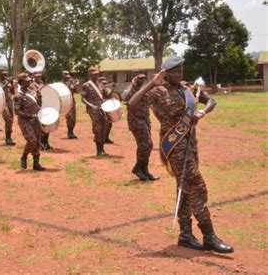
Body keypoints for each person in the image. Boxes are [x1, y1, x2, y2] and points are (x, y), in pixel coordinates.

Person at [128, 56, 233, 253]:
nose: (178, 75)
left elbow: (211, 100)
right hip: (174, 145)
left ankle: (185, 234)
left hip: (191, 145)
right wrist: (151, 83)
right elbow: (132, 104)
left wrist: (202, 113)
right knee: (197, 185)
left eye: (180, 71)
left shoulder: (188, 88)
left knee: (184, 187)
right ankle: (209, 236)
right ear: (165, 73)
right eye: (174, 72)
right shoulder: (157, 92)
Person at [122, 74, 159, 181]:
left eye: (144, 78)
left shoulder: (142, 89)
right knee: (146, 144)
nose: (142, 80)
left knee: (146, 146)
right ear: (135, 79)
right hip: (136, 121)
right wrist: (131, 85)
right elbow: (125, 99)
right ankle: (138, 168)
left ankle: (144, 169)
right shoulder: (131, 89)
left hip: (145, 120)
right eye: (140, 78)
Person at [13, 73, 45, 170]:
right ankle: (24, 156)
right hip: (25, 121)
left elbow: (38, 105)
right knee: (32, 140)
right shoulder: (18, 96)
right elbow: (17, 111)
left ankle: (36, 164)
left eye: (29, 80)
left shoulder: (31, 92)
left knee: (38, 141)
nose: (29, 81)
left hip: (35, 120)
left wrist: (39, 97)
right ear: (21, 82)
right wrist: (30, 115)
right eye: (27, 81)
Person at [81, 68, 107, 156]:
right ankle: (99, 150)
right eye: (94, 74)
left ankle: (102, 149)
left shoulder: (100, 84)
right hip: (93, 109)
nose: (96, 75)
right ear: (90, 75)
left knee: (104, 127)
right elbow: (83, 99)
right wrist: (92, 106)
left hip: (102, 108)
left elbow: (106, 95)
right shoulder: (86, 85)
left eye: (97, 74)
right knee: (97, 128)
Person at [31, 71, 52, 150]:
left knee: (47, 125)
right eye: (37, 76)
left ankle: (46, 143)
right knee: (40, 127)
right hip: (38, 107)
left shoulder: (42, 83)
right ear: (34, 76)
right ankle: (40, 144)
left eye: (40, 76)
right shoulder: (32, 85)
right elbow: (33, 95)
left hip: (45, 106)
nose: (39, 77)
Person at [0, 68, 16, 146]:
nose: (5, 75)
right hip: (2, 103)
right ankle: (8, 138)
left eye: (5, 73)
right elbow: (0, 89)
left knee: (11, 120)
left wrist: (11, 83)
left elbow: (13, 92)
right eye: (3, 73)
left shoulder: (7, 81)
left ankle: (9, 137)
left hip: (9, 102)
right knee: (8, 119)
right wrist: (7, 82)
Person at [61, 70, 78, 139]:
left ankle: (72, 131)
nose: (67, 76)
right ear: (62, 75)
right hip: (66, 101)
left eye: (68, 74)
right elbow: (65, 91)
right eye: (65, 74)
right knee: (70, 117)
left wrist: (75, 85)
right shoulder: (61, 84)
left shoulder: (71, 82)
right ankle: (70, 132)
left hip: (72, 101)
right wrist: (73, 85)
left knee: (74, 117)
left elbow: (76, 91)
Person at [99, 76, 115, 144]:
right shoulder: (99, 89)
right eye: (103, 83)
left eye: (106, 83)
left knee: (109, 123)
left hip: (107, 107)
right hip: (102, 108)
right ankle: (102, 138)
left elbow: (109, 95)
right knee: (103, 124)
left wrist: (112, 88)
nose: (105, 84)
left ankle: (106, 137)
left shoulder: (106, 88)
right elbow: (107, 96)